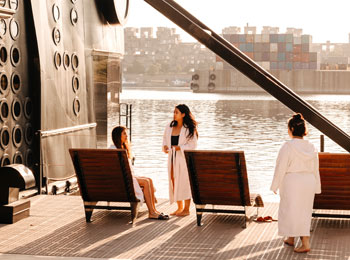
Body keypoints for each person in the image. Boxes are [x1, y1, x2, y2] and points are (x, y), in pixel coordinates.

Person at [270, 113, 321, 253]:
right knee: (303, 211)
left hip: (292, 182)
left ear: (291, 129)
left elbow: (280, 167)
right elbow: (315, 169)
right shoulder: (312, 146)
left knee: (290, 209)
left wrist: (275, 185)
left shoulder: (287, 146)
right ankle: (291, 238)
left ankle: (305, 243)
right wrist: (317, 186)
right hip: (308, 182)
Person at [112, 126, 169, 220]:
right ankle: (151, 212)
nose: (127, 136)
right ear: (118, 136)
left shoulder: (122, 148)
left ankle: (154, 211)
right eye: (124, 133)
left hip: (126, 177)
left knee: (149, 180)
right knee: (146, 182)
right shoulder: (115, 150)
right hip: (122, 179)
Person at [162, 104, 198, 216]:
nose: (174, 114)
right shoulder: (169, 126)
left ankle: (186, 209)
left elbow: (193, 145)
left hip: (183, 159)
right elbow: (164, 139)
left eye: (176, 112)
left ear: (183, 114)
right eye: (174, 112)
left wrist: (179, 148)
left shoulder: (189, 128)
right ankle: (179, 207)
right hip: (172, 157)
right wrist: (164, 146)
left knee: (184, 181)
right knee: (173, 180)